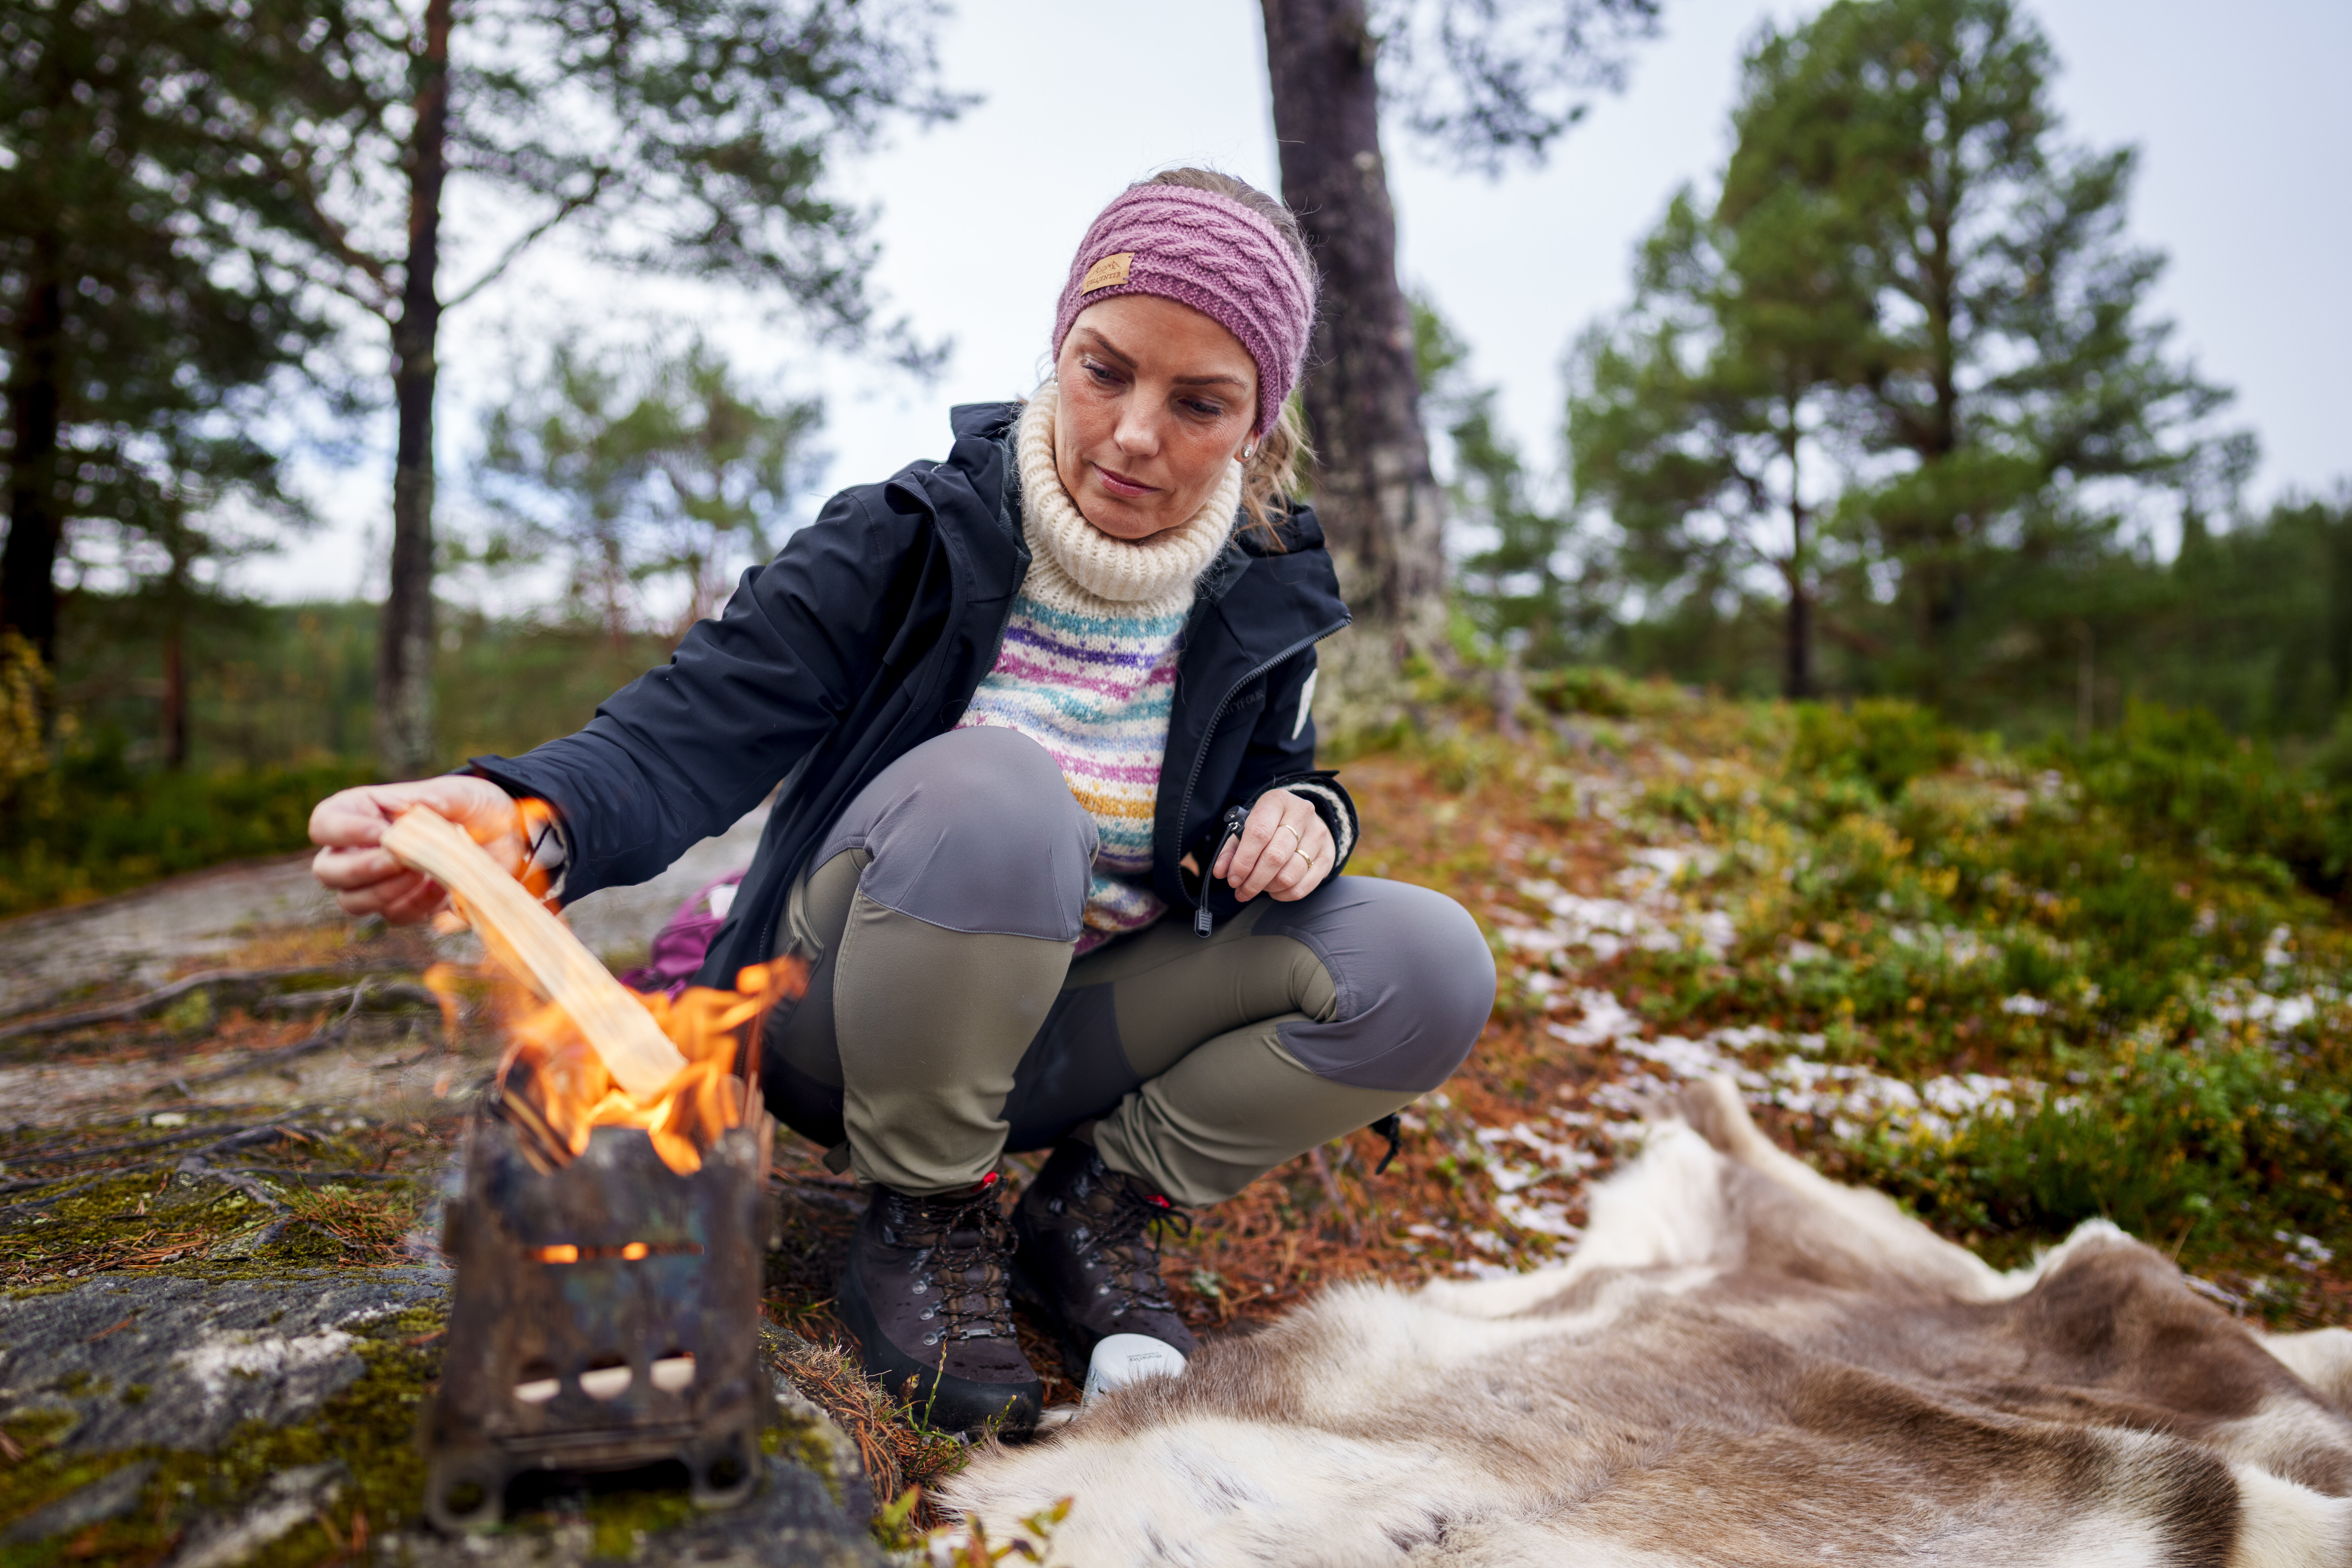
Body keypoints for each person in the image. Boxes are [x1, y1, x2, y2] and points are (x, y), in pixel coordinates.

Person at [309, 168, 1496, 1435]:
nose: (1134, 434)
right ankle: (926, 1211)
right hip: (846, 1014)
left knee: (1425, 962)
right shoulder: (913, 533)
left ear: (1258, 424)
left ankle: (1093, 1210)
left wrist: (1302, 812)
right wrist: (531, 815)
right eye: (1104, 372)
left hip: (1074, 1028)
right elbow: (696, 719)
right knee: (1004, 790)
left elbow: (1262, 772)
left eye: (1199, 403)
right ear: (1060, 347)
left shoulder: (1263, 586)